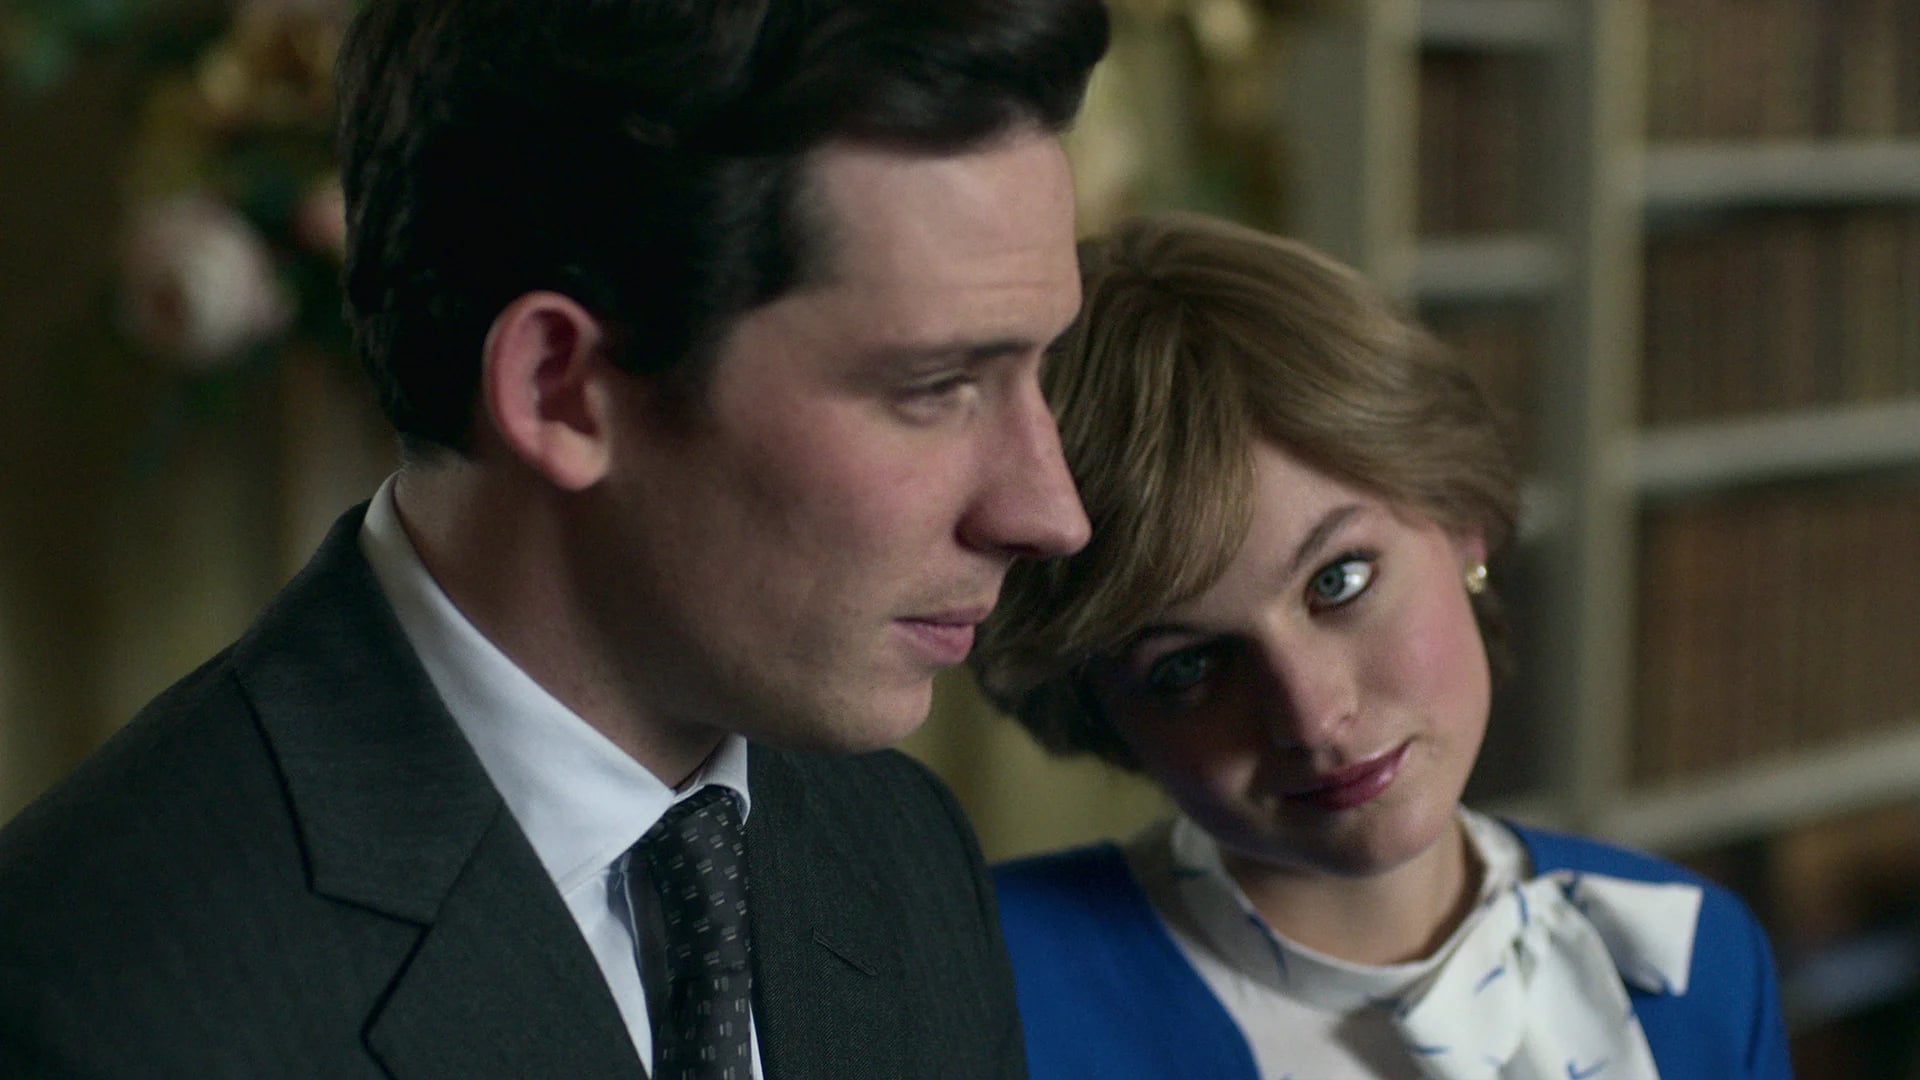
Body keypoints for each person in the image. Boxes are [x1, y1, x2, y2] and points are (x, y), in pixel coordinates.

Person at [0, 2, 1109, 1076]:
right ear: (558, 391)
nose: (1051, 512)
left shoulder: (903, 852)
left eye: (1038, 370)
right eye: (937, 386)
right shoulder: (97, 998)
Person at [972, 213, 1793, 1080]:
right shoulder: (987, 993)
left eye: (1339, 580)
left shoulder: (1698, 966)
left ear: (1462, 522)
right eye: (1189, 665)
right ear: (1099, 709)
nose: (1313, 715)